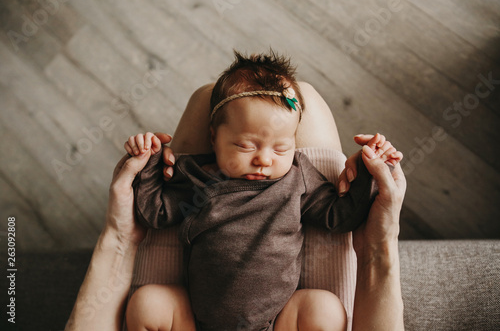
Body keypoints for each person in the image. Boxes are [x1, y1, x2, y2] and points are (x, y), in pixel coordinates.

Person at [65, 59, 406, 331]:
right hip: (195, 322)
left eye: (282, 147)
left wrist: (367, 174)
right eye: (246, 145)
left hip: (276, 321)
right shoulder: (199, 177)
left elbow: (339, 216)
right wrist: (150, 162)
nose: (263, 158)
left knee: (324, 309)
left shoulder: (298, 177)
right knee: (148, 302)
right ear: (213, 139)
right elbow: (155, 213)